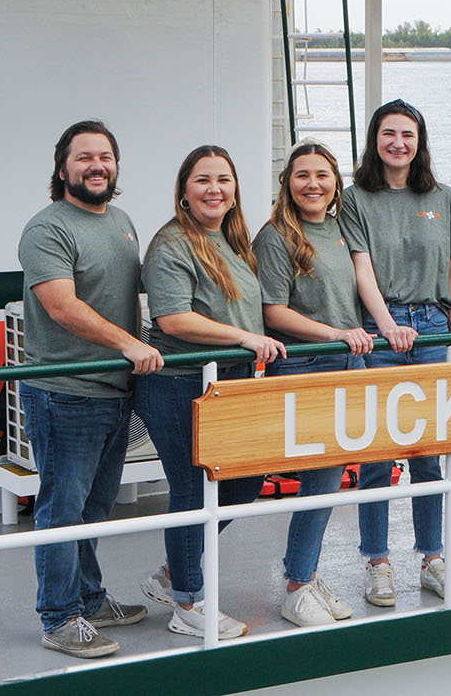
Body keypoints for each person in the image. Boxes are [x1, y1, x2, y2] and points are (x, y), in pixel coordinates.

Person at [17, 120, 161, 659]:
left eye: (105, 157)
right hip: (65, 392)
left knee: (96, 507)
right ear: (62, 169)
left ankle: (90, 599)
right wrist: (129, 344)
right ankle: (59, 617)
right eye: (84, 158)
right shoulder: (47, 229)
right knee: (62, 509)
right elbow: (62, 305)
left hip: (114, 393)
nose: (96, 166)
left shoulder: (121, 221)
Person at [137, 145, 280, 639]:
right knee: (192, 491)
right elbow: (173, 318)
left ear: (235, 188)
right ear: (184, 191)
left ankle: (173, 573)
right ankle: (188, 603)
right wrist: (243, 338)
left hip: (230, 387)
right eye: (202, 180)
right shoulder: (172, 244)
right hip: (180, 385)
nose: (214, 189)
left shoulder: (234, 242)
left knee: (244, 484)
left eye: (223, 179)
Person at [340, 98, 451, 606]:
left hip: (434, 329)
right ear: (375, 140)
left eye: (408, 135)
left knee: (429, 455)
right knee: (376, 456)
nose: (398, 143)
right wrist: (388, 326)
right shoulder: (356, 199)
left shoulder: (444, 196)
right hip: (381, 331)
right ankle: (378, 562)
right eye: (388, 133)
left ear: (421, 142)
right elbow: (361, 269)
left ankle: (433, 558)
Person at [253, 140, 373, 626]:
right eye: (301, 175)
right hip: (307, 366)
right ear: (287, 184)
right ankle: (297, 585)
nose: (312, 184)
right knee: (315, 482)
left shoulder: (342, 228)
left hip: (348, 366)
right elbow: (272, 310)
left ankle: (305, 574)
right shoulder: (276, 235)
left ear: (335, 182)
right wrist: (336, 334)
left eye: (322, 175)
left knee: (326, 485)